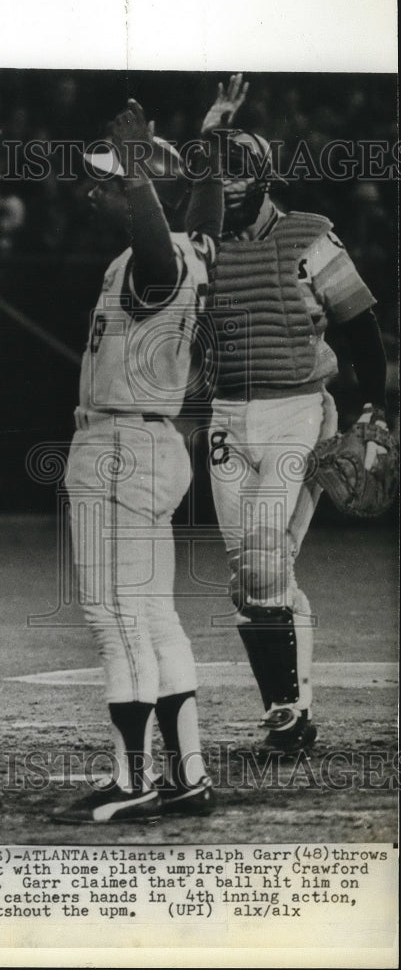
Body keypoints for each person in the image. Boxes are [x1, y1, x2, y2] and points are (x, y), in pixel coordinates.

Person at [200, 76, 389, 753]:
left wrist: (374, 409)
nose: (221, 182)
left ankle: (286, 714)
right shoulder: (202, 243)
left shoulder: (307, 235)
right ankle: (290, 707)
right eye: (212, 169)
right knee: (252, 576)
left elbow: (360, 325)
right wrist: (210, 127)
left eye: (233, 169)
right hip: (226, 415)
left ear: (260, 177)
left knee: (260, 562)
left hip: (297, 411)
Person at [54, 99, 224, 823]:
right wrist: (210, 145)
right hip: (148, 443)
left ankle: (132, 783)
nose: (94, 190)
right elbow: (203, 223)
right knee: (153, 617)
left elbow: (162, 251)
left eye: (110, 181)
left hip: (119, 446)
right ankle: (186, 775)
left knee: (113, 617)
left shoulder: (154, 261)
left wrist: (140, 176)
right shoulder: (186, 251)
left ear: (140, 193)